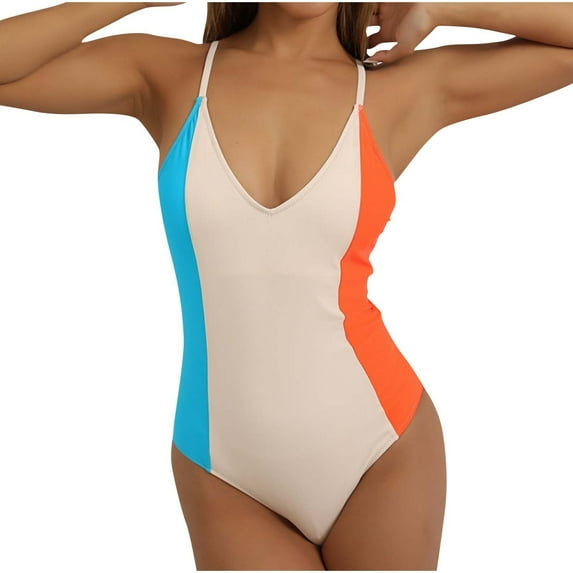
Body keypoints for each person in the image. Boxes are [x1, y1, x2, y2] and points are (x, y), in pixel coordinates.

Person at [1, 2, 572, 571]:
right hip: (225, 470)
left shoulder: (399, 91)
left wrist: (440, 8)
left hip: (380, 448)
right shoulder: (169, 74)